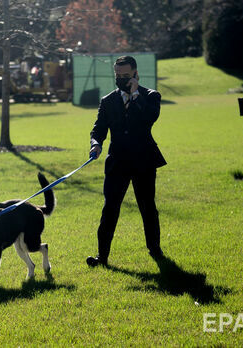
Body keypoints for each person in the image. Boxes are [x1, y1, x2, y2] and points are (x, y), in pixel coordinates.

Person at [87, 56, 167, 267]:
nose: (121, 79)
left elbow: (149, 118)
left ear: (135, 74)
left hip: (144, 161)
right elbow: (98, 129)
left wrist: (135, 94)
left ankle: (155, 250)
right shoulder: (108, 101)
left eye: (125, 75)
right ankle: (102, 257)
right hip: (117, 163)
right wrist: (95, 143)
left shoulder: (151, 96)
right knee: (110, 208)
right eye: (118, 75)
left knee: (147, 207)